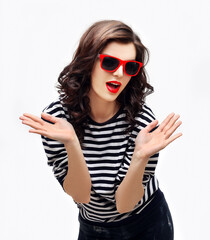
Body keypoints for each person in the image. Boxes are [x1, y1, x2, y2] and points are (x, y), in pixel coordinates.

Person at [19, 20, 182, 240]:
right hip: (92, 228)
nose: (119, 73)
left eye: (130, 67)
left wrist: (140, 157)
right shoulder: (57, 120)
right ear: (88, 62)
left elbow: (125, 204)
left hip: (147, 224)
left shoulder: (142, 122)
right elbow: (81, 194)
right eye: (110, 63)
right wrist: (71, 143)